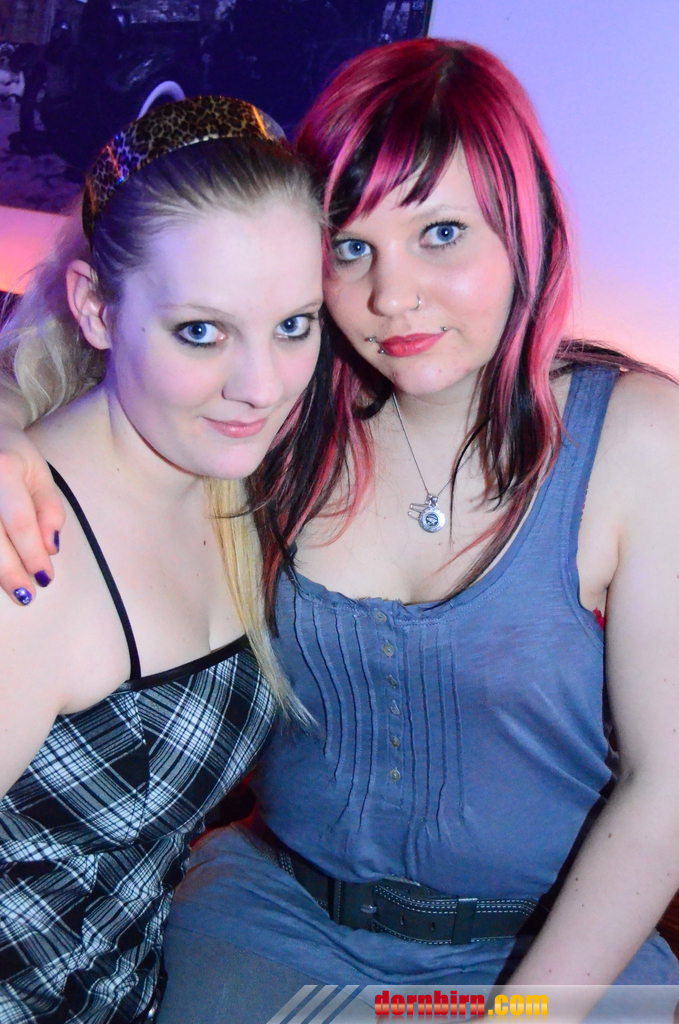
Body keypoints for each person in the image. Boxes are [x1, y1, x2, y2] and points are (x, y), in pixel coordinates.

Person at [1, 39, 679, 1024]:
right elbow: (109, 374)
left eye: (439, 233)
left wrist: (526, 1016)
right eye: (352, 249)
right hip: (274, 929)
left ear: (524, 225)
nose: (391, 296)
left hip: (554, 951)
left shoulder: (634, 438)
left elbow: (668, 785)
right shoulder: (283, 421)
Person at [0, 94, 329, 1023]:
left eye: (294, 325)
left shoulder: (238, 478)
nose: (261, 387)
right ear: (96, 309)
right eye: (200, 332)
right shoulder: (29, 559)